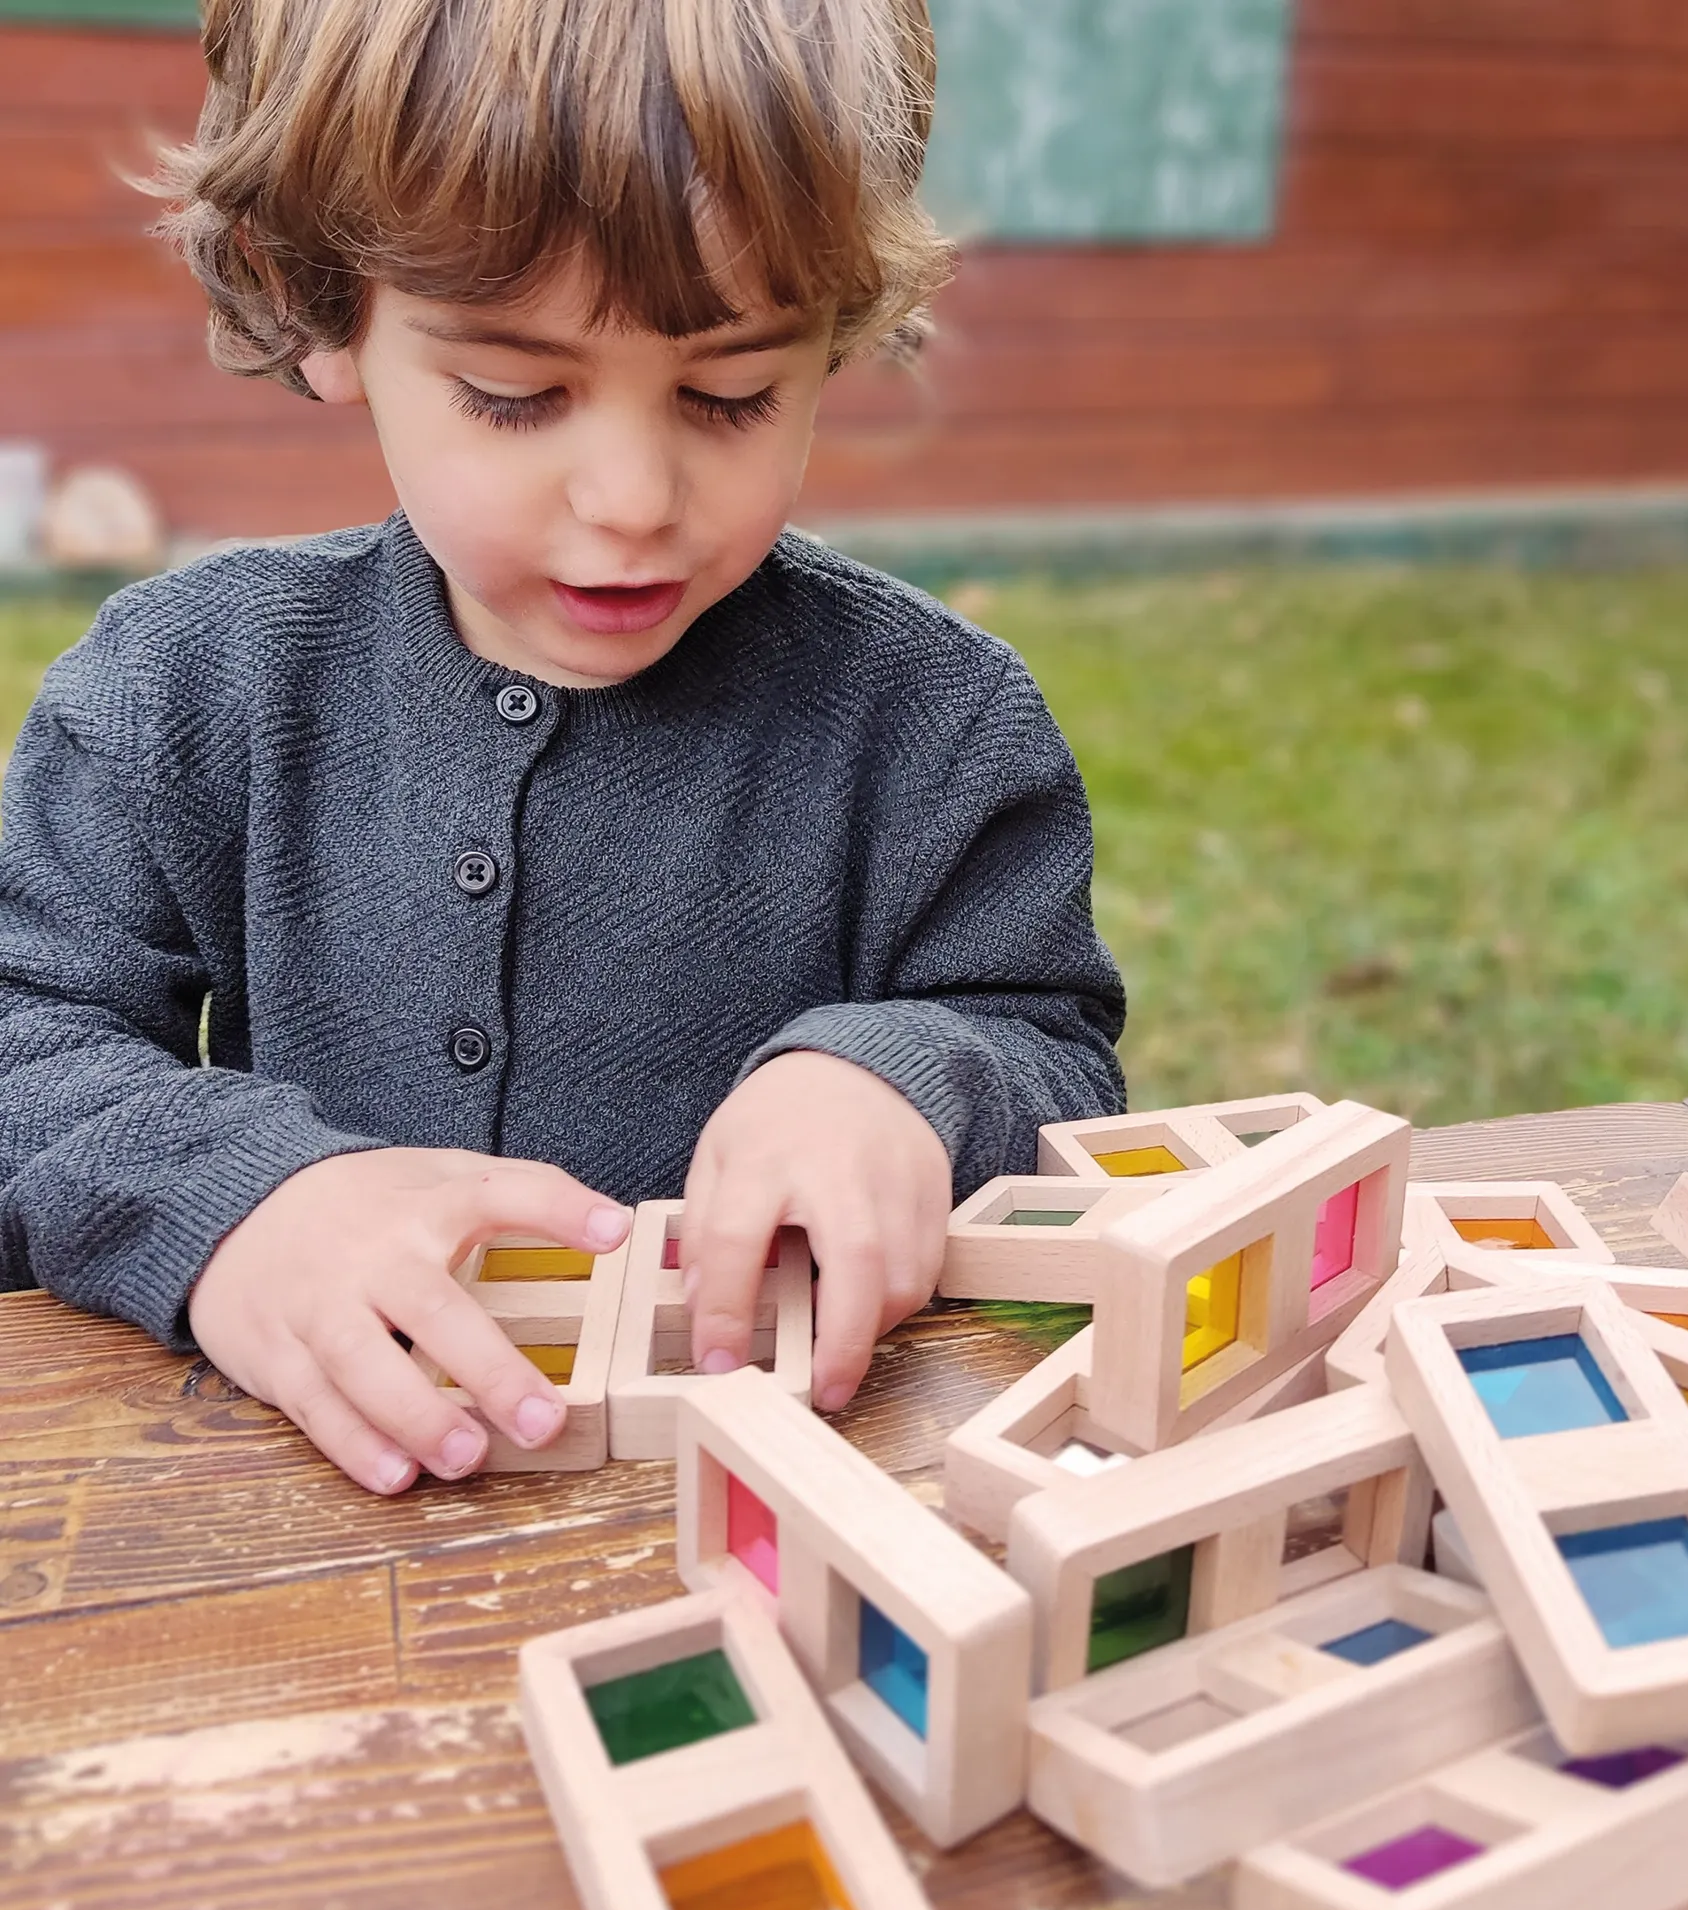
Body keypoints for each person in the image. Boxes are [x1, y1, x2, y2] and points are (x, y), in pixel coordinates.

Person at [0, 0, 1124, 1494]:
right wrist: (240, 1203)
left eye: (732, 393)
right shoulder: (184, 692)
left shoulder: (935, 726)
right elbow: (29, 1042)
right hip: (305, 1513)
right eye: (516, 395)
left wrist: (901, 1080)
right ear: (321, 305)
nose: (631, 498)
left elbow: (1053, 1057)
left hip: (782, 1500)